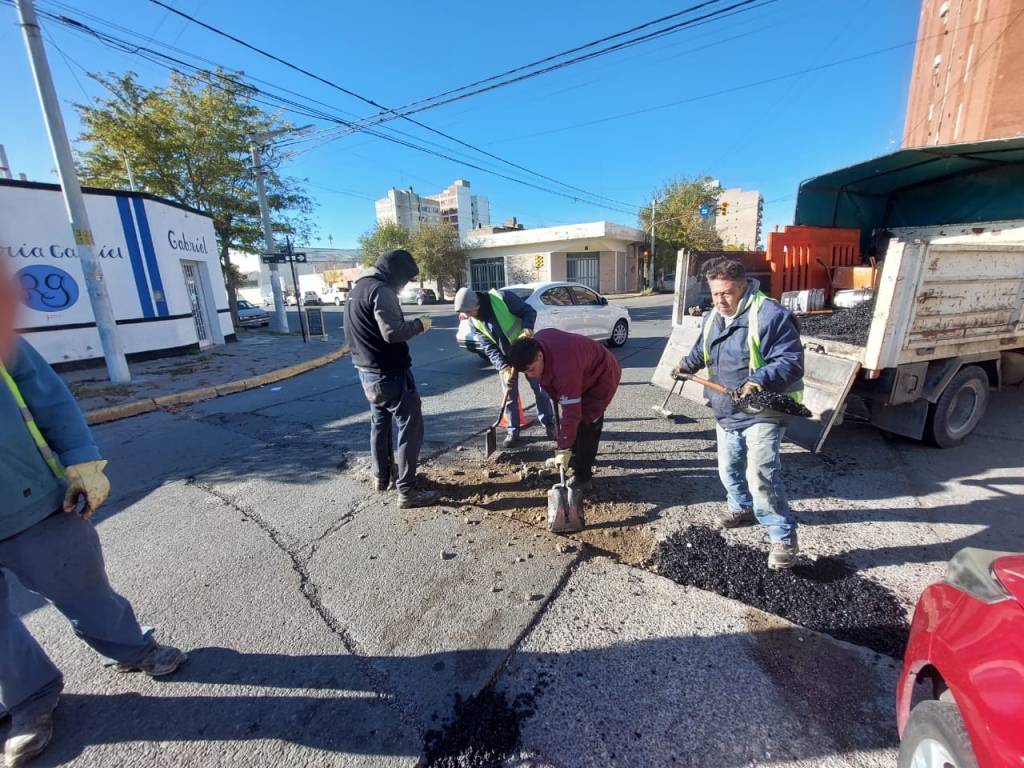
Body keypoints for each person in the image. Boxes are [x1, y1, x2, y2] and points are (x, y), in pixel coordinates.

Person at [0, 266, 185, 767]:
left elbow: (46, 394)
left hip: (32, 499)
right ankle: (27, 699)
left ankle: (131, 648)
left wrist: (81, 458)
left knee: (83, 586)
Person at [673, 257, 804, 570]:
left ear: (744, 287)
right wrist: (686, 365)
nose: (720, 300)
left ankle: (783, 537)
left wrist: (759, 380)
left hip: (763, 409)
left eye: (727, 293)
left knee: (761, 475)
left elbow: (791, 361)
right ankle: (741, 508)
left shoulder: (769, 315)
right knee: (728, 468)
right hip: (727, 407)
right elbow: (703, 349)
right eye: (715, 293)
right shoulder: (713, 316)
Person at [344, 249, 437, 509]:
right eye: (405, 279)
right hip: (390, 374)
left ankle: (382, 476)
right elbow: (392, 332)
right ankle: (407, 490)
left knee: (380, 424)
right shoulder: (380, 291)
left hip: (367, 373)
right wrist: (419, 325)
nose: (404, 285)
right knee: (410, 426)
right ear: (395, 273)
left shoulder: (357, 289)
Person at [507, 328, 621, 495]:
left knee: (588, 423)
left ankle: (583, 477)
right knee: (572, 424)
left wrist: (563, 446)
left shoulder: (564, 370)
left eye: (531, 370)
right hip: (580, 369)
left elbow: (571, 414)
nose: (530, 376)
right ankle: (572, 457)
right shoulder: (536, 345)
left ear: (540, 355)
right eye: (525, 372)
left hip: (602, 375)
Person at [453, 286, 554, 448]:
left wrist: (527, 328)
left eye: (468, 311)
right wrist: (503, 367)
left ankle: (548, 422)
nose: (467, 315)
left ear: (476, 304)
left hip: (526, 350)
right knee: (509, 397)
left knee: (540, 388)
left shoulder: (502, 298)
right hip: (505, 358)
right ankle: (513, 431)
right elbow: (489, 347)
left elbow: (529, 311)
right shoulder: (474, 321)